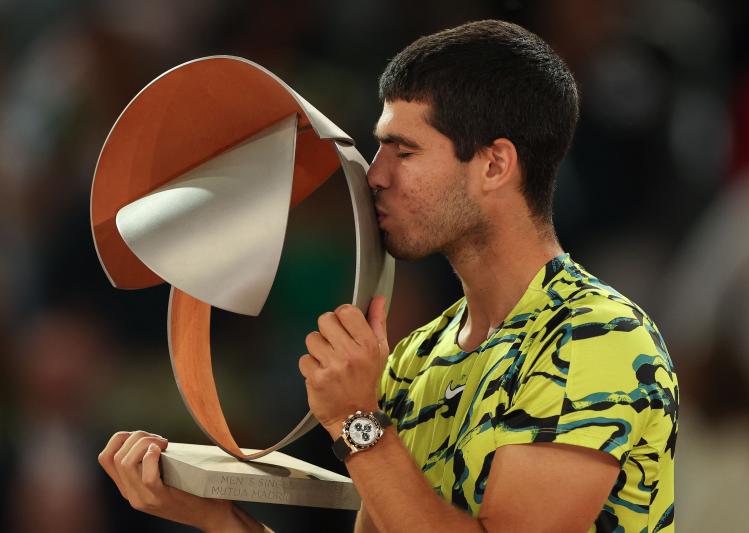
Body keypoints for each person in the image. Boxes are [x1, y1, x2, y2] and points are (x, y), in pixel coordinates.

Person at [98, 20, 678, 532]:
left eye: (403, 151)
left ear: (495, 165)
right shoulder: (415, 357)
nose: (374, 176)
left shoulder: (597, 338)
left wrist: (356, 422)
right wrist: (220, 520)